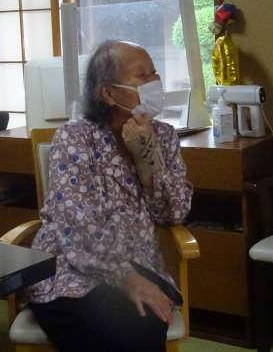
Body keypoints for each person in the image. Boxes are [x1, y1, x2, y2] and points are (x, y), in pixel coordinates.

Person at [27, 40, 193, 352]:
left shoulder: (165, 136)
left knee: (142, 322)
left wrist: (147, 158)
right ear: (108, 93)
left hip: (141, 263)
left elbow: (174, 212)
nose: (154, 83)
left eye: (155, 74)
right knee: (112, 329)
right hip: (69, 269)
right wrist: (126, 279)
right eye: (142, 76)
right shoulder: (75, 137)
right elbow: (77, 225)